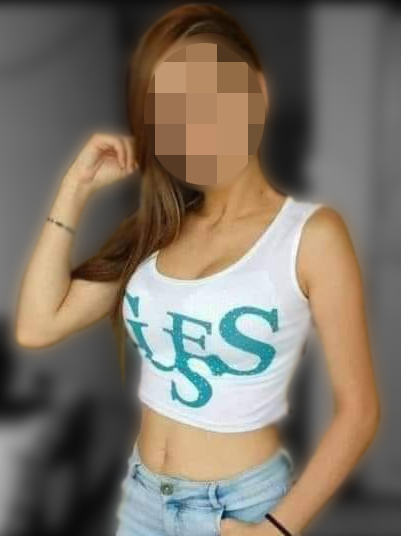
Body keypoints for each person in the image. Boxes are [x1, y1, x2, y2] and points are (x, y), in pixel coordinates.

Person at [14, 4, 380, 536]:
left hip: (240, 507)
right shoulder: (157, 231)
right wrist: (74, 189)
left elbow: (359, 411)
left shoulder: (311, 236)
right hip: (143, 499)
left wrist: (277, 528)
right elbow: (37, 325)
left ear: (256, 93)